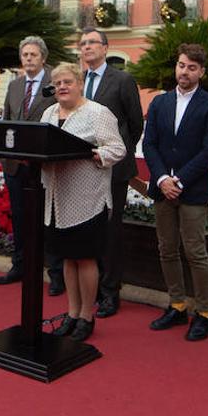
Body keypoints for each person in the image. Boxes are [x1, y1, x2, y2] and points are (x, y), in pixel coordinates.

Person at [141, 44, 208, 341]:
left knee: (195, 252)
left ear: (201, 71)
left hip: (194, 190)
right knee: (166, 249)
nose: (184, 72)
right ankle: (176, 305)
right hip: (162, 189)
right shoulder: (160, 103)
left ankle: (203, 313)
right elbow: (149, 144)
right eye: (181, 65)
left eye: (191, 67)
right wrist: (163, 178)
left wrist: (180, 181)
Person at [41, 63, 126, 342]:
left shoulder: (97, 113)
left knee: (85, 258)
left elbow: (117, 149)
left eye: (68, 81)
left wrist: (90, 154)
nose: (62, 87)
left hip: (88, 198)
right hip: (57, 198)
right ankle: (71, 313)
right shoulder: (49, 113)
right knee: (68, 258)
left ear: (80, 83)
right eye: (57, 83)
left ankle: (86, 317)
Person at [77, 27, 143, 318]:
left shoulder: (122, 80)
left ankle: (109, 292)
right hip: (81, 168)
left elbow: (134, 123)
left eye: (92, 43)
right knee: (88, 229)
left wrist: (120, 153)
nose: (86, 47)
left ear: (105, 48)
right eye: (82, 44)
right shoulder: (77, 82)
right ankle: (89, 288)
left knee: (110, 231)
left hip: (114, 169)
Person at [0, 36, 64, 294]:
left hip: (44, 165)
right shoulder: (14, 86)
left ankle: (55, 273)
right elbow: (7, 120)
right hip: (15, 166)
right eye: (25, 55)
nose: (29, 59)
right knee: (20, 218)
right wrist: (6, 158)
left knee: (49, 220)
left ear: (43, 58)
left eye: (33, 55)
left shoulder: (54, 85)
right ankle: (20, 266)